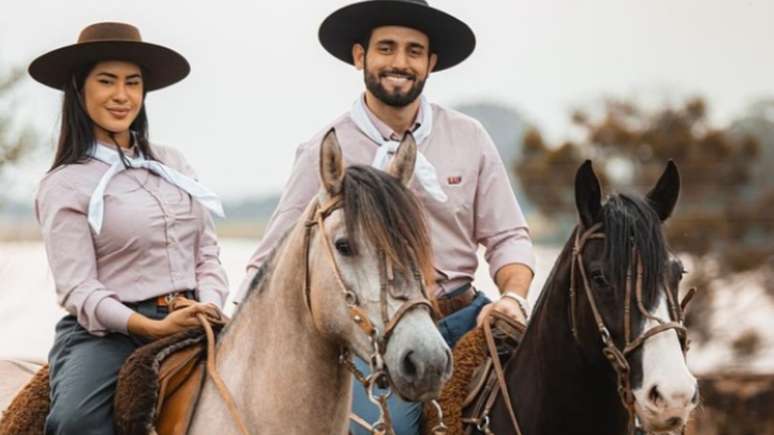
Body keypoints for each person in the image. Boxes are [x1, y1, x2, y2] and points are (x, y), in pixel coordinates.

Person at [236, 1, 536, 432]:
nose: (400, 62)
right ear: (361, 56)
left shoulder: (469, 137)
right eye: (387, 48)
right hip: (375, 329)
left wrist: (512, 298)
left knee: (549, 398)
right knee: (376, 427)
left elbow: (508, 235)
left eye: (414, 51)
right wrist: (237, 327)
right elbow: (274, 257)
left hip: (468, 315)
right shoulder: (325, 148)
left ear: (430, 63)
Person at [29, 22, 229, 434]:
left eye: (133, 83)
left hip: (197, 315)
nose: (122, 96)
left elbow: (206, 252)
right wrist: (150, 327)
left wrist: (208, 303)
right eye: (107, 81)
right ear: (79, 88)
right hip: (110, 334)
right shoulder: (64, 183)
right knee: (75, 422)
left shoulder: (174, 163)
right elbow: (78, 288)